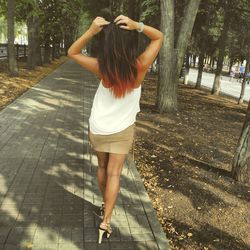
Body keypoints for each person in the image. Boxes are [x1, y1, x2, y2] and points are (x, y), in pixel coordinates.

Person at [67, 14, 163, 244]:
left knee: (102, 167)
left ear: (108, 42)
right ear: (131, 43)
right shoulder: (139, 67)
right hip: (122, 129)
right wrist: (137, 26)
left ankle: (104, 202)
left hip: (99, 126)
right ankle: (106, 221)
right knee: (114, 174)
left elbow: (72, 52)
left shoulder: (102, 67)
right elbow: (159, 38)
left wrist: (91, 31)